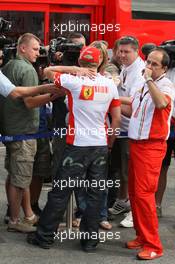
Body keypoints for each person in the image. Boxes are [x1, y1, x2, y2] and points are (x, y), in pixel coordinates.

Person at [27, 46, 121, 251]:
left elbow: (47, 72)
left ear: (80, 62)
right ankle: (90, 241)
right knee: (96, 194)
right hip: (100, 146)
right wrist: (110, 144)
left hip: (76, 146)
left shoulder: (73, 80)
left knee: (61, 192)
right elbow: (116, 119)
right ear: (99, 63)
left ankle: (44, 237)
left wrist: (72, 69)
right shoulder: (110, 84)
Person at [1, 33, 60, 232]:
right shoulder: (27, 69)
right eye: (35, 49)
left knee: (15, 175)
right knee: (21, 179)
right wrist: (52, 94)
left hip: (13, 130)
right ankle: (17, 221)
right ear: (23, 48)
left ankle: (20, 216)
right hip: (24, 131)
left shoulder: (8, 66)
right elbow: (29, 102)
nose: (39, 52)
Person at [121, 48, 174, 260]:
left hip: (151, 147)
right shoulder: (145, 84)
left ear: (164, 69)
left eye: (154, 64)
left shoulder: (166, 85)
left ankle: (154, 245)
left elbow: (161, 103)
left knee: (144, 196)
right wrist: (109, 98)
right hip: (137, 144)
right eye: (148, 62)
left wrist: (149, 80)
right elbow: (131, 107)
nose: (148, 67)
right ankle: (142, 237)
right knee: (134, 194)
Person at [108, 36, 145, 229]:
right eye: (119, 51)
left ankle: (134, 211)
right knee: (122, 171)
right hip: (122, 128)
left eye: (126, 52)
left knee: (131, 173)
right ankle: (123, 201)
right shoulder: (126, 68)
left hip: (133, 131)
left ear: (136, 51)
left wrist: (109, 95)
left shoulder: (140, 73)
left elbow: (133, 107)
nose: (121, 55)